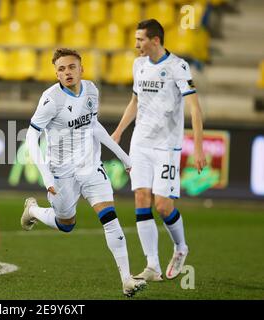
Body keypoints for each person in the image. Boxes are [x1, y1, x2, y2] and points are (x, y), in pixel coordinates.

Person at [21, 48, 146, 297]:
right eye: (61, 69)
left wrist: (123, 157)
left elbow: (93, 126)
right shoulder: (51, 100)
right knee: (66, 224)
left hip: (89, 165)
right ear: (56, 74)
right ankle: (33, 210)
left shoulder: (91, 90)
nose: (67, 72)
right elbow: (31, 137)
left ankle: (126, 279)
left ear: (81, 69)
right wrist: (46, 176)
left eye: (71, 67)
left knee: (110, 218)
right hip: (60, 172)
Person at [111, 19, 207, 281]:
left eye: (140, 39)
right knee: (141, 198)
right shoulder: (138, 65)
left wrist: (198, 148)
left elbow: (195, 110)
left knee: (163, 206)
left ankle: (180, 246)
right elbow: (134, 101)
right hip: (140, 143)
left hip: (166, 146)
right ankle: (152, 266)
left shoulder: (178, 67)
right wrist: (119, 131)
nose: (136, 45)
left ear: (155, 40)